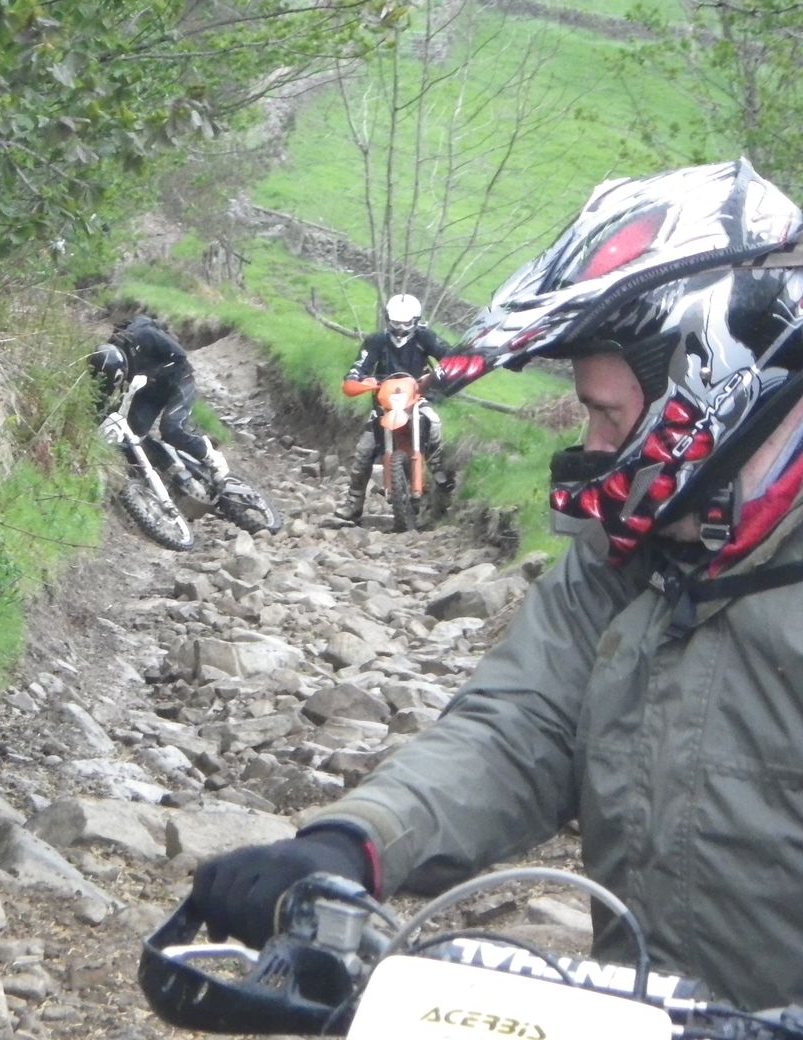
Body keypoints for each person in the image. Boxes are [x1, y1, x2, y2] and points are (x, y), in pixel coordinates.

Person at [187, 158, 803, 1011]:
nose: (588, 442)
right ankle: (361, 502)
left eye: (606, 413)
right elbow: (525, 724)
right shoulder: (633, 552)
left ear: (714, 381)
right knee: (372, 453)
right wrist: (354, 842)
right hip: (647, 1011)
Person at [337, 293, 456, 524]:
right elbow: (359, 367)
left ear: (416, 320)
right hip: (384, 401)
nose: (401, 328)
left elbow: (449, 356)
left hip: (417, 396)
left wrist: (441, 372)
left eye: (406, 323)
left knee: (434, 425)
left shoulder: (425, 337)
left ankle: (440, 477)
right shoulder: (376, 341)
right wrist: (357, 379)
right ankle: (353, 503)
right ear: (387, 319)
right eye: (396, 322)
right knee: (364, 450)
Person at [88, 314, 230, 489]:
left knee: (171, 429)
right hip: (150, 390)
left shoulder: (144, 336)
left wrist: (150, 375)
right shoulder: (108, 361)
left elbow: (179, 356)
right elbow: (106, 398)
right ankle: (167, 469)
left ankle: (212, 458)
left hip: (179, 379)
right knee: (133, 435)